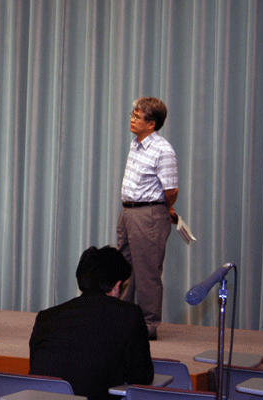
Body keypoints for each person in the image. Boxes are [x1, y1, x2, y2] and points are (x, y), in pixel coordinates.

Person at [29, 246, 154, 400]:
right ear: (117, 286)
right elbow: (142, 377)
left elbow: (36, 370)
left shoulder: (45, 317)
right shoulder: (129, 315)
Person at [117, 97, 178, 340]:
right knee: (124, 268)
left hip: (148, 215)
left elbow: (171, 190)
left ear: (151, 124)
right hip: (128, 212)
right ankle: (123, 320)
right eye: (132, 114)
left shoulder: (162, 150)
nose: (132, 119)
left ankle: (147, 325)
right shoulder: (136, 144)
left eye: (137, 116)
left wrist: (165, 208)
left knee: (147, 272)